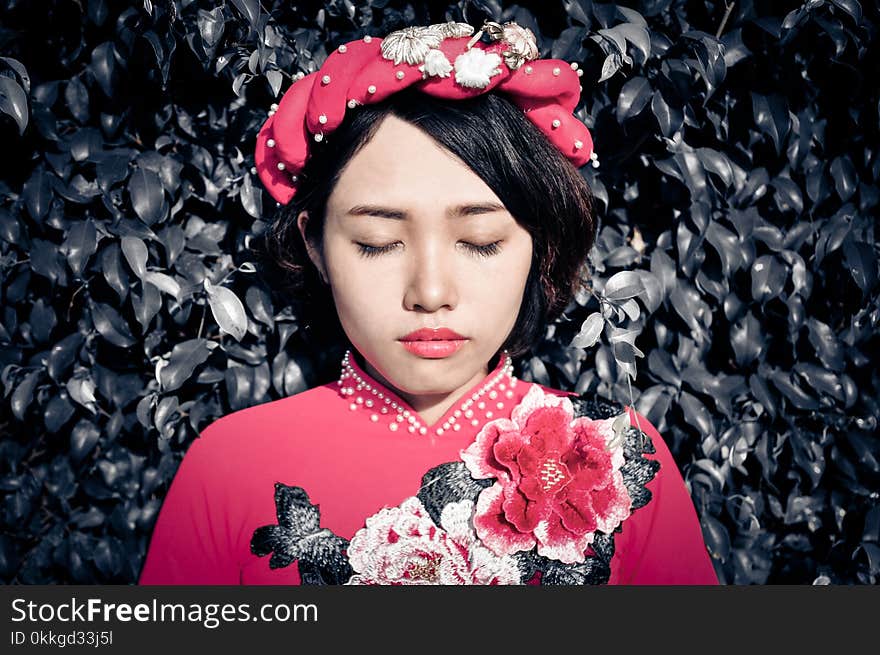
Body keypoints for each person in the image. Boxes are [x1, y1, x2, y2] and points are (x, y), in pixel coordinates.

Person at [139, 21, 718, 585]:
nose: (431, 293)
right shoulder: (230, 468)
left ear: (538, 245)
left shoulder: (620, 458)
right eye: (378, 243)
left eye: (481, 242)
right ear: (315, 245)